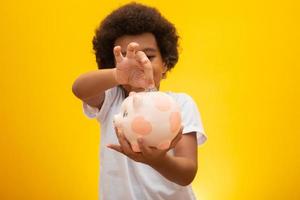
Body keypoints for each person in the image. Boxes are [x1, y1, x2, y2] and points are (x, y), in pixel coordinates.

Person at [72, 2, 207, 199]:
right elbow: (79, 88)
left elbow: (187, 173)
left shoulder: (181, 104)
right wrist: (118, 76)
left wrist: (158, 161)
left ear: (165, 63)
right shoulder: (112, 100)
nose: (139, 64)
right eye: (127, 58)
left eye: (149, 56)